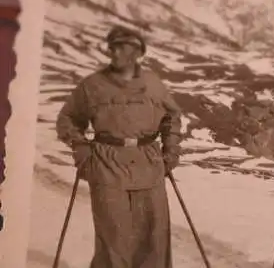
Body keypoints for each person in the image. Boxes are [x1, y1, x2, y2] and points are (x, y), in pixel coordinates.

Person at [56, 25, 182, 268]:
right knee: (113, 239)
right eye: (112, 48)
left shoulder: (154, 84)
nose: (113, 53)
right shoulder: (92, 85)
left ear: (137, 53)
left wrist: (171, 150)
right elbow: (68, 118)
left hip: (149, 166)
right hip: (106, 165)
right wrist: (80, 148)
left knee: (153, 238)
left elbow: (172, 117)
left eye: (120, 48)